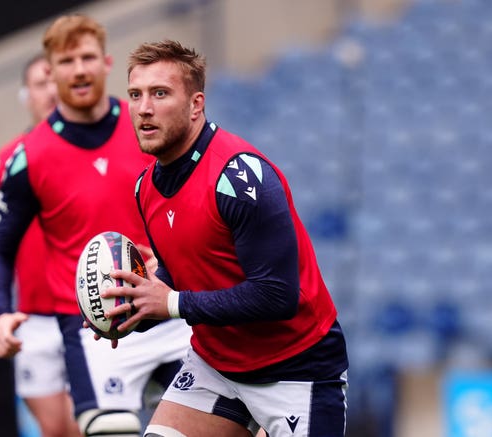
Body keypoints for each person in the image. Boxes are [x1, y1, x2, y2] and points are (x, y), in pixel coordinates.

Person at [100, 40, 349, 437]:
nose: (144, 108)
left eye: (160, 93)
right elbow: (183, 277)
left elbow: (276, 296)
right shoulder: (145, 187)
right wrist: (131, 312)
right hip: (215, 365)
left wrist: (170, 303)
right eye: (136, 95)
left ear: (196, 104)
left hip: (296, 369)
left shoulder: (241, 177)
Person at [0, 15, 191, 437]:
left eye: (88, 57)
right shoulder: (28, 156)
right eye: (67, 60)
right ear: (50, 71)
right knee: (110, 431)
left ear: (106, 62)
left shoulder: (148, 126)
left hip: (166, 310)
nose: (79, 69)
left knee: (230, 426)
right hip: (93, 331)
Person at [0, 53, 81, 437]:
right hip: (33, 320)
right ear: (26, 96)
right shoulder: (8, 161)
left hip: (91, 317)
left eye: (54, 81)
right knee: (55, 430)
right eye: (40, 84)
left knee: (87, 425)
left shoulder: (99, 149)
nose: (50, 92)